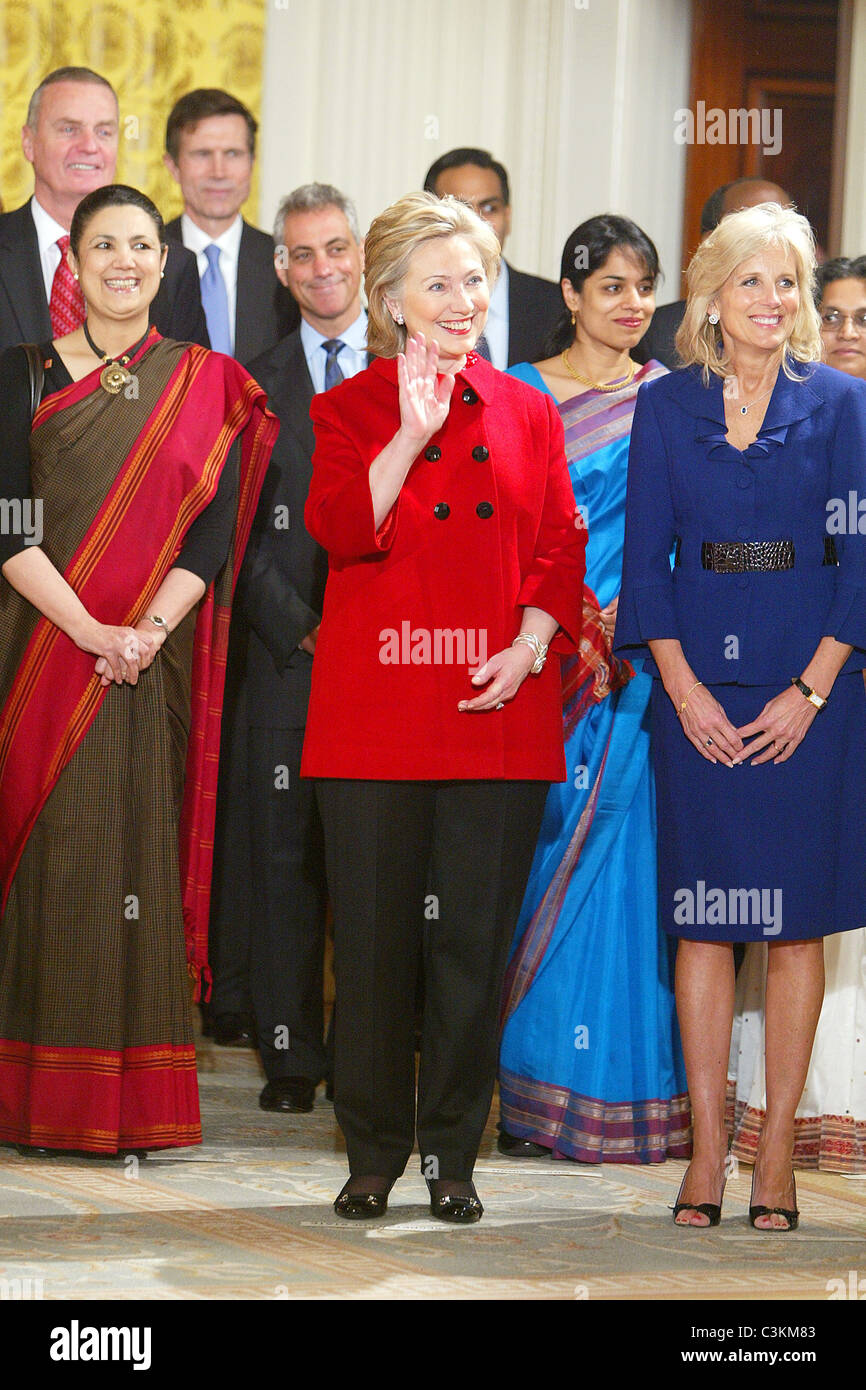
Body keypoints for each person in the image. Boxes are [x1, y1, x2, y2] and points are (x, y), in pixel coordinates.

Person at [301, 191, 585, 1222]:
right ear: (389, 300)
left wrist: (529, 644)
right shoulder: (348, 409)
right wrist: (409, 432)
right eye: (438, 283)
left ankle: (451, 1156)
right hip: (374, 712)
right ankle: (372, 1148)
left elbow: (560, 542)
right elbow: (337, 528)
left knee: (469, 946)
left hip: (496, 710)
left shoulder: (527, 407)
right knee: (373, 946)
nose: (463, 299)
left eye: (473, 278)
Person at [0, 183, 276, 1156]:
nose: (125, 260)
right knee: (53, 863)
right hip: (41, 653)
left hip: (148, 665)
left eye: (143, 245)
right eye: (104, 244)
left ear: (166, 263)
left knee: (131, 867)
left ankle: (123, 1105)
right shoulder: (22, 375)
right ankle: (35, 1099)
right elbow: (7, 523)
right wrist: (88, 630)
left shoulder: (208, 384)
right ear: (70, 264)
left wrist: (146, 633)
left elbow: (208, 536)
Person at [615, 202, 866, 1231]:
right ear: (710, 298)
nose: (773, 301)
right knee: (705, 923)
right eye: (751, 282)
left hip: (810, 688)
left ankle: (773, 1160)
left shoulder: (845, 402)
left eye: (786, 284)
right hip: (694, 688)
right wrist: (676, 688)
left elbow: (859, 564)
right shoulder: (664, 404)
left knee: (793, 924)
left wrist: (809, 690)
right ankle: (707, 1152)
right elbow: (642, 566)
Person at [497, 216, 690, 1164]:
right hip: (547, 657)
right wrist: (574, 620)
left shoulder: (672, 398)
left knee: (623, 868)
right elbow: (515, 524)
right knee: (540, 858)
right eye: (610, 286)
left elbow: (686, 529)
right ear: (569, 296)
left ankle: (618, 1098)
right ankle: (533, 1094)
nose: (631, 304)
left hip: (644, 667)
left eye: (644, 285)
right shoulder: (522, 393)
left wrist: (628, 622)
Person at [727, 254, 866, 1175]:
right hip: (809, 683)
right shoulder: (806, 413)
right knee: (777, 904)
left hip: (829, 684)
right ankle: (779, 1118)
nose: (850, 330)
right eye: (839, 313)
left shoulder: (842, 416)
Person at [238, 183, 368, 1113]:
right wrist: (305, 626)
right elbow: (229, 538)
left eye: (337, 249)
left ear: (361, 255)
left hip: (394, 660)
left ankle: (370, 1053)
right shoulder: (250, 383)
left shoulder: (420, 365)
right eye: (303, 255)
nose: (323, 268)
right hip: (285, 658)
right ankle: (291, 1056)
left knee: (375, 866)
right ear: (282, 270)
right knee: (282, 859)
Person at [0, 68, 208, 354]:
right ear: (28, 142)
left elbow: (192, 388)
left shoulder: (171, 267)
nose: (89, 146)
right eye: (69, 129)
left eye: (104, 131)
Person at [163, 88, 298, 365]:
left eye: (233, 154)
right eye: (202, 154)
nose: (219, 172)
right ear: (173, 166)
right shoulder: (143, 258)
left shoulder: (285, 261)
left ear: (252, 163)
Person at [423, 148, 562, 366]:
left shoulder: (556, 306)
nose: (478, 223)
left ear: (508, 216)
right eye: (461, 208)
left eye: (489, 208)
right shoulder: (410, 306)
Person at [634, 178, 791, 370]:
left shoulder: (823, 342)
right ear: (710, 245)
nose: (774, 237)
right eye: (751, 282)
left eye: (786, 283)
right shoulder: (659, 337)